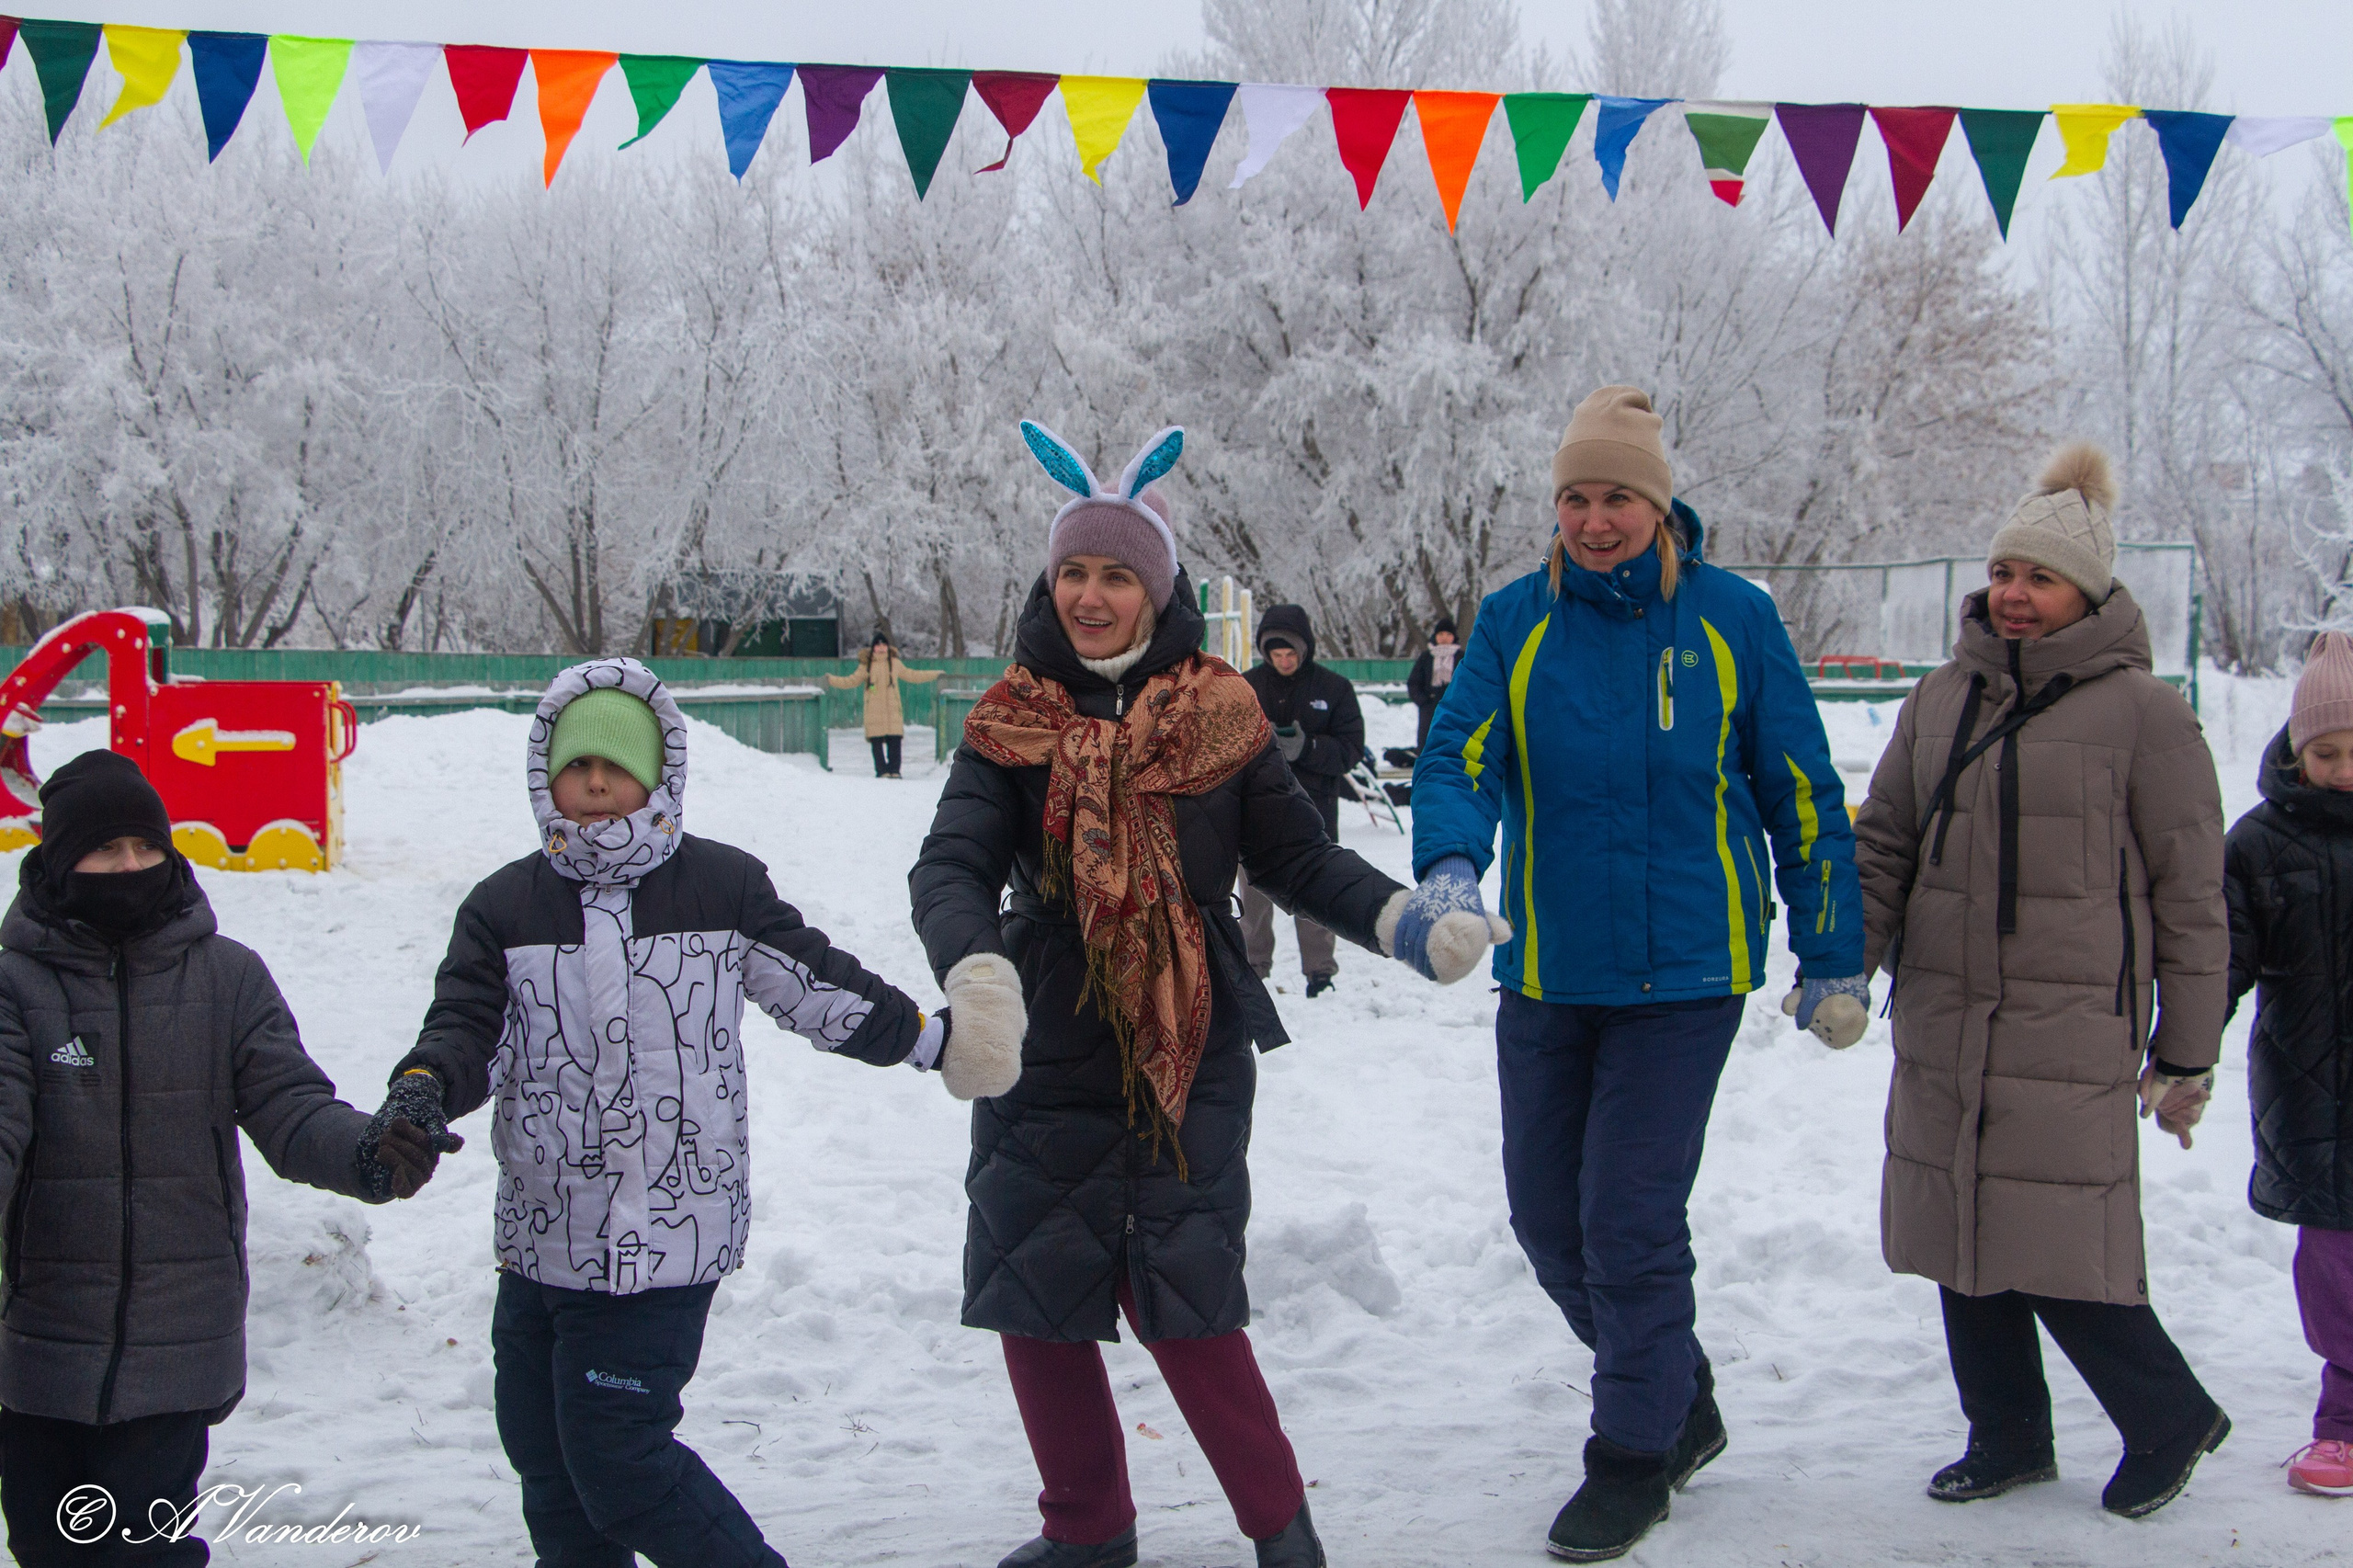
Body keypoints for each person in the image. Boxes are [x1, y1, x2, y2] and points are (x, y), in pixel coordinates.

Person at [911, 420, 1504, 1568]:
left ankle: (1281, 1526)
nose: (1091, 595)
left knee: (1186, 1294)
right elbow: (951, 862)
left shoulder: (1221, 710)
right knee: (1037, 1289)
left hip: (1188, 1035)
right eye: (1074, 571)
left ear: (1156, 588)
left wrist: (1399, 917)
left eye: (1116, 574)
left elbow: (1296, 856)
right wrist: (977, 971)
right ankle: (1086, 1527)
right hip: (1046, 1032)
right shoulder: (1010, 716)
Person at [377, 659, 1014, 1568]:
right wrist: (422, 1084)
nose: (597, 782)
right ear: (545, 774)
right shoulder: (503, 906)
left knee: (621, 1461)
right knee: (546, 1458)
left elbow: (816, 985)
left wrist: (927, 1039)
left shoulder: (719, 887)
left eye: (618, 764)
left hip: (665, 1235)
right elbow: (465, 1027)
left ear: (660, 773)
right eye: (577, 764)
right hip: (541, 1235)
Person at [1401, 385, 1864, 1562]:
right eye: (1575, 497)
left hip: (1689, 972)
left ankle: (1629, 1457)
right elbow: (1458, 755)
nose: (1594, 520)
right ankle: (1676, 1397)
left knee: (1627, 1219)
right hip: (1549, 970)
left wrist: (1830, 953)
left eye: (1617, 497)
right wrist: (1450, 868)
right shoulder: (1515, 620)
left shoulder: (1732, 619)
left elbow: (1801, 789)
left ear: (1659, 505)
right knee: (1545, 1218)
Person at [1853, 443, 2231, 1520]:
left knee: (2059, 1237)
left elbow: (2192, 893)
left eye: (2041, 577)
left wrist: (2187, 1049)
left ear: (2089, 592)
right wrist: (1847, 961)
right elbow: (1885, 842)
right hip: (1944, 1007)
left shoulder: (2143, 715)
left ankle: (2168, 1414)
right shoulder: (1940, 698)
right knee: (1958, 1224)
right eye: (2003, 572)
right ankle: (2007, 1432)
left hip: (2069, 1021)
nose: (2014, 594)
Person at [0, 750, 440, 1565]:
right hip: (41, 1338)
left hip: (179, 1332)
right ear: (58, 864)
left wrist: (367, 1151)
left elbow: (290, 1105)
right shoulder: (15, 987)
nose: (129, 867)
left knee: (149, 1551)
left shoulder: (228, 977)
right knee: (46, 1547)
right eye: (104, 850)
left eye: (146, 846)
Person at [2224, 630, 2353, 1498]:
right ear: (2297, 750)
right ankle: (2343, 1425)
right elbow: (2222, 960)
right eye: (2325, 752)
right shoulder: (2261, 842)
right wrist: (2180, 1055)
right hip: (2312, 1093)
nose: (2342, 770)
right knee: (2336, 1264)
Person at [1240, 606, 1367, 998]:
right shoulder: (1244, 687)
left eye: (1290, 653)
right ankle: (1253, 969)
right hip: (1255, 812)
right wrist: (1257, 747)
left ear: (1305, 648)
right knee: (1254, 898)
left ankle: (1320, 973)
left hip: (1315, 811)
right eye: (1276, 654)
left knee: (1316, 894)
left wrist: (1307, 748)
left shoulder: (1334, 688)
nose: (1284, 661)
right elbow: (1221, 744)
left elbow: (1351, 748)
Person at [828, 630, 942, 778]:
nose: (881, 648)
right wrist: (831, 680)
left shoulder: (894, 663)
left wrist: (935, 674)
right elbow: (850, 681)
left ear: (888, 647)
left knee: (895, 741)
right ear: (873, 648)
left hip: (892, 711)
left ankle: (895, 770)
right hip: (874, 711)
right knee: (876, 743)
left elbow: (913, 675)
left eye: (884, 645)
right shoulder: (866, 665)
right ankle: (881, 771)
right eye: (878, 645)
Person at [1405, 618, 1461, 750]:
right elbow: (1414, 683)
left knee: (1453, 743)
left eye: (1448, 634)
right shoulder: (1426, 657)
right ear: (1435, 636)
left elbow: (1469, 684)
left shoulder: (1461, 658)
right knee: (1428, 744)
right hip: (1429, 709)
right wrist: (1424, 701)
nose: (1444, 638)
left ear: (1454, 637)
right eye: (1440, 634)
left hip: (1455, 708)